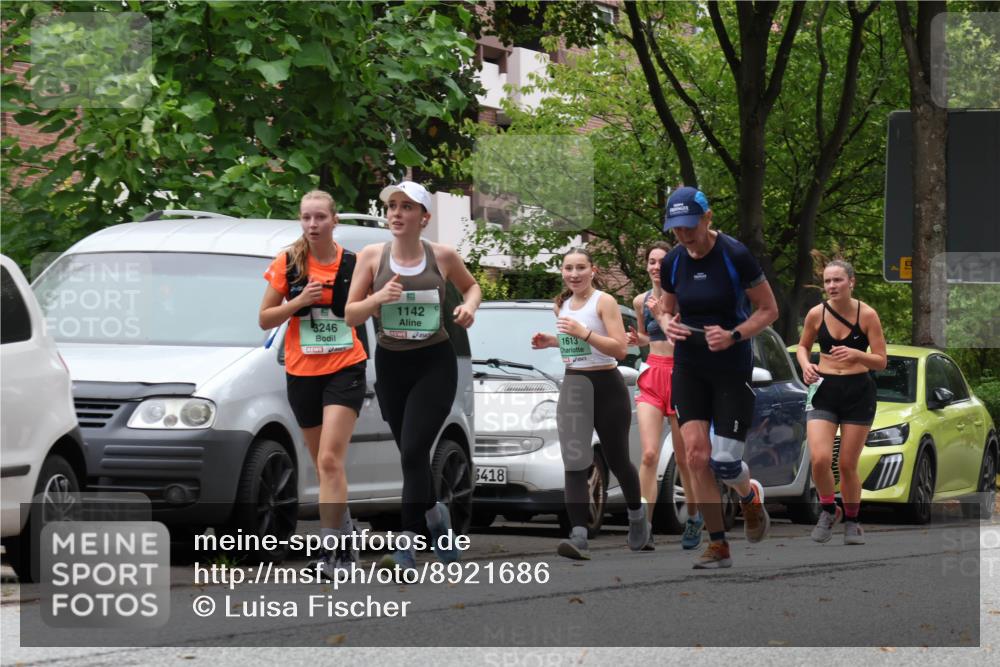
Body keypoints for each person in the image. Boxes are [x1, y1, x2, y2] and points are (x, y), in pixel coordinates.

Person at [344, 180, 481, 571]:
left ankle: (406, 543)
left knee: (416, 449)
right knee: (410, 454)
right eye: (392, 207)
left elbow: (472, 288)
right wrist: (377, 299)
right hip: (391, 365)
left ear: (424, 217)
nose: (397, 214)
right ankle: (437, 519)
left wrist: (469, 308)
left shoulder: (442, 256)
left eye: (406, 207)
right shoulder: (372, 256)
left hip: (435, 363)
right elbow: (351, 314)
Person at [657, 186, 779, 569]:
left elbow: (768, 309)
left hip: (731, 366)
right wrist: (666, 324)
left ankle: (749, 495)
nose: (683, 235)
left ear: (707, 219)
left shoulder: (735, 255)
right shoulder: (673, 262)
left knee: (725, 463)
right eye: (675, 229)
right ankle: (719, 544)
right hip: (690, 366)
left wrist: (734, 334)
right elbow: (663, 308)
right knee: (695, 456)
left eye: (689, 226)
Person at [259, 190, 367, 577]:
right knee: (326, 469)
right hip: (302, 371)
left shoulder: (354, 264)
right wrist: (298, 301)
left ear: (334, 220)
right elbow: (266, 319)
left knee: (329, 459)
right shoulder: (288, 263)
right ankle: (348, 537)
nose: (313, 224)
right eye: (306, 217)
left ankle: (331, 554)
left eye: (320, 217)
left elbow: (366, 310)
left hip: (345, 367)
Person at [531, 248, 649, 560]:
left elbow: (620, 348)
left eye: (581, 267)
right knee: (575, 460)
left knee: (617, 459)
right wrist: (552, 340)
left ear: (592, 270)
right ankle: (579, 535)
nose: (574, 274)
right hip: (574, 384)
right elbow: (576, 342)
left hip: (607, 385)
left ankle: (637, 518)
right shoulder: (561, 304)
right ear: (561, 271)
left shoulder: (604, 301)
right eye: (568, 268)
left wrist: (582, 332)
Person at [796, 259, 887, 545]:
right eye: (827, 281)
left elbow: (881, 361)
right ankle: (827, 509)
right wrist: (805, 365)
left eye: (837, 280)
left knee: (847, 463)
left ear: (851, 282)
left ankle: (853, 520)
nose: (832, 286)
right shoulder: (816, 313)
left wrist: (857, 355)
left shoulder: (867, 315)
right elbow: (802, 346)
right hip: (824, 389)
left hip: (858, 392)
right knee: (820, 458)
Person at [627, 241, 702, 551]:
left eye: (661, 261)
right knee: (648, 454)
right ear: (646, 266)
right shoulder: (639, 300)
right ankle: (643, 525)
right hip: (652, 373)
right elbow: (649, 337)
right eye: (651, 261)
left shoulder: (684, 297)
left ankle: (695, 517)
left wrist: (663, 315)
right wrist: (637, 338)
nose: (656, 266)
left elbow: (684, 335)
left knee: (685, 458)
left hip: (682, 374)